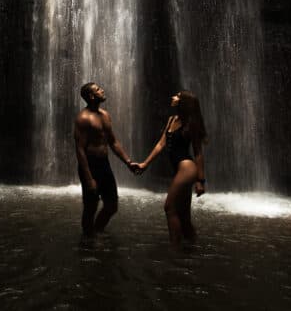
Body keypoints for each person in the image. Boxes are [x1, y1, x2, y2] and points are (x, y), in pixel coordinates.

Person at [135, 91, 207, 245]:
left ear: (183, 102)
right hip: (178, 169)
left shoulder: (191, 123)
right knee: (184, 215)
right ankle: (192, 248)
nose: (173, 97)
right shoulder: (171, 120)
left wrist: (200, 180)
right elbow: (161, 144)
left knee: (169, 208)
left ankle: (175, 249)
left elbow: (198, 153)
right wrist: (145, 164)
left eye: (177, 96)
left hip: (187, 168)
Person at [74, 81, 136, 235]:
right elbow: (80, 150)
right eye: (98, 89)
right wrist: (89, 179)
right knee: (91, 206)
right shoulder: (83, 118)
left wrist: (128, 162)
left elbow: (113, 142)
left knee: (112, 206)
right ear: (91, 96)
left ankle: (97, 229)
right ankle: (87, 239)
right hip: (90, 165)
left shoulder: (105, 115)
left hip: (104, 165)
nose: (102, 90)